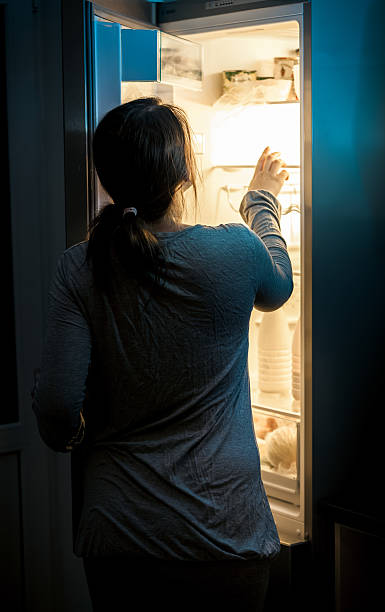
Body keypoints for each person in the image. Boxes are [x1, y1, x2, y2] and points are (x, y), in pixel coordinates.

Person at [32, 97, 293, 612]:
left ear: (106, 179)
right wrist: (261, 201)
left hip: (120, 531)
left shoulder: (80, 266)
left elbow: (58, 407)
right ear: (182, 176)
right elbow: (278, 285)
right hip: (224, 532)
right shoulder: (236, 251)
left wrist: (82, 438)